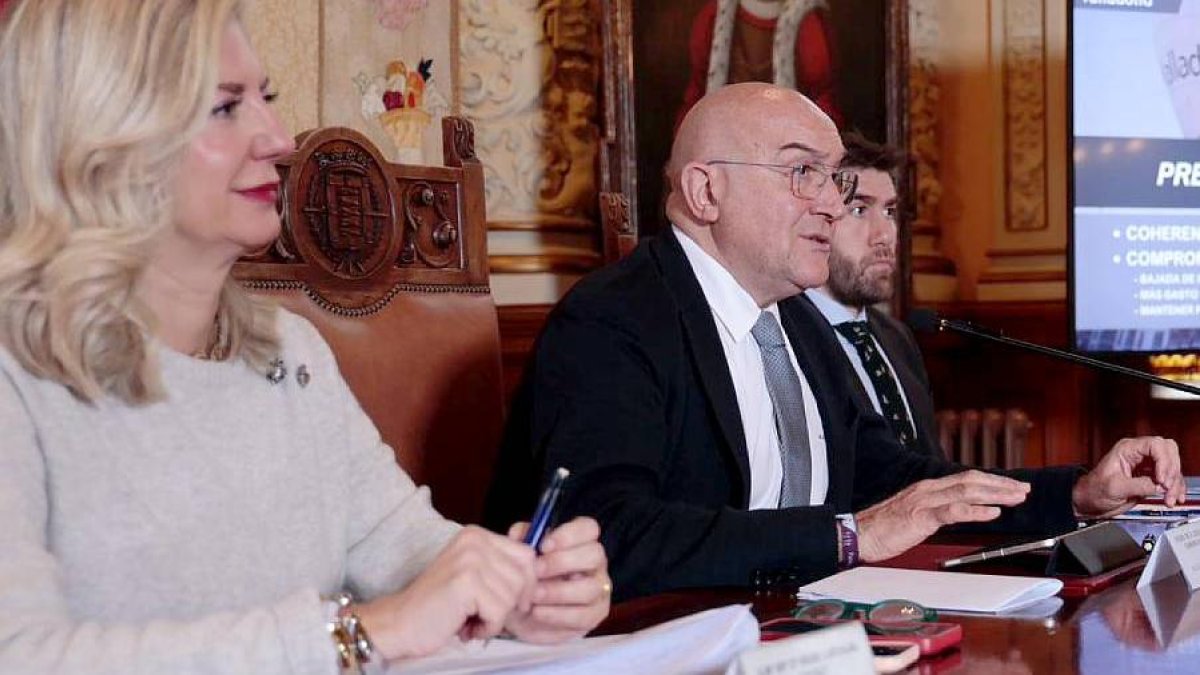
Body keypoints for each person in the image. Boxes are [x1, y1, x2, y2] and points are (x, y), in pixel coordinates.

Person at [0, 1, 608, 672]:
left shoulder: (291, 351)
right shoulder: (14, 370)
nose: (280, 139)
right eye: (227, 108)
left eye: (268, 98)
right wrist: (360, 634)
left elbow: (400, 544)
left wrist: (515, 591)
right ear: (99, 135)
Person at [486, 81, 1186, 602]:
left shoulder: (797, 323)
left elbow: (890, 480)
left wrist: (1079, 493)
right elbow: (607, 535)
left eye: (833, 177)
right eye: (803, 173)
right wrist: (848, 537)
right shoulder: (613, 322)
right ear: (706, 192)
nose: (828, 201)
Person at [799, 132, 941, 456]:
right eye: (860, 210)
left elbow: (930, 468)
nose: (884, 236)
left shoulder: (896, 337)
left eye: (890, 212)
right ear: (819, 220)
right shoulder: (787, 335)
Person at [677, 0, 841, 130]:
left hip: (787, 137)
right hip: (728, 134)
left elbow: (821, 95)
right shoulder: (715, 15)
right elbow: (698, 89)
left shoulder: (808, 19)